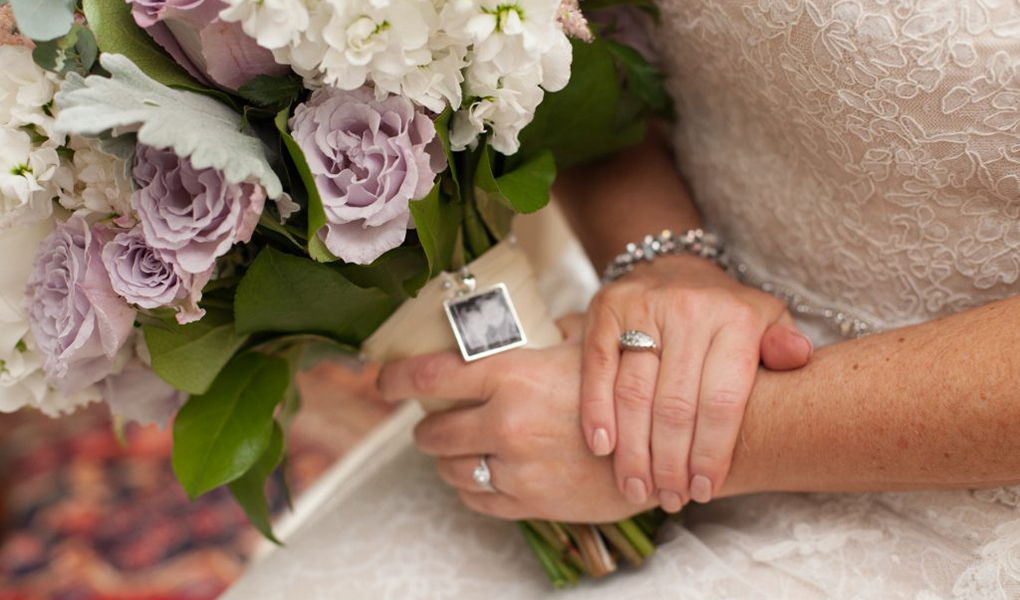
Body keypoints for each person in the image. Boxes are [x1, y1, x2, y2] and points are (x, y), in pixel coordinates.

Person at [220, 2, 1020, 598]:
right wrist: (664, 260)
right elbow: (565, 40)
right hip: (641, 311)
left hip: (966, 458)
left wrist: (671, 428)